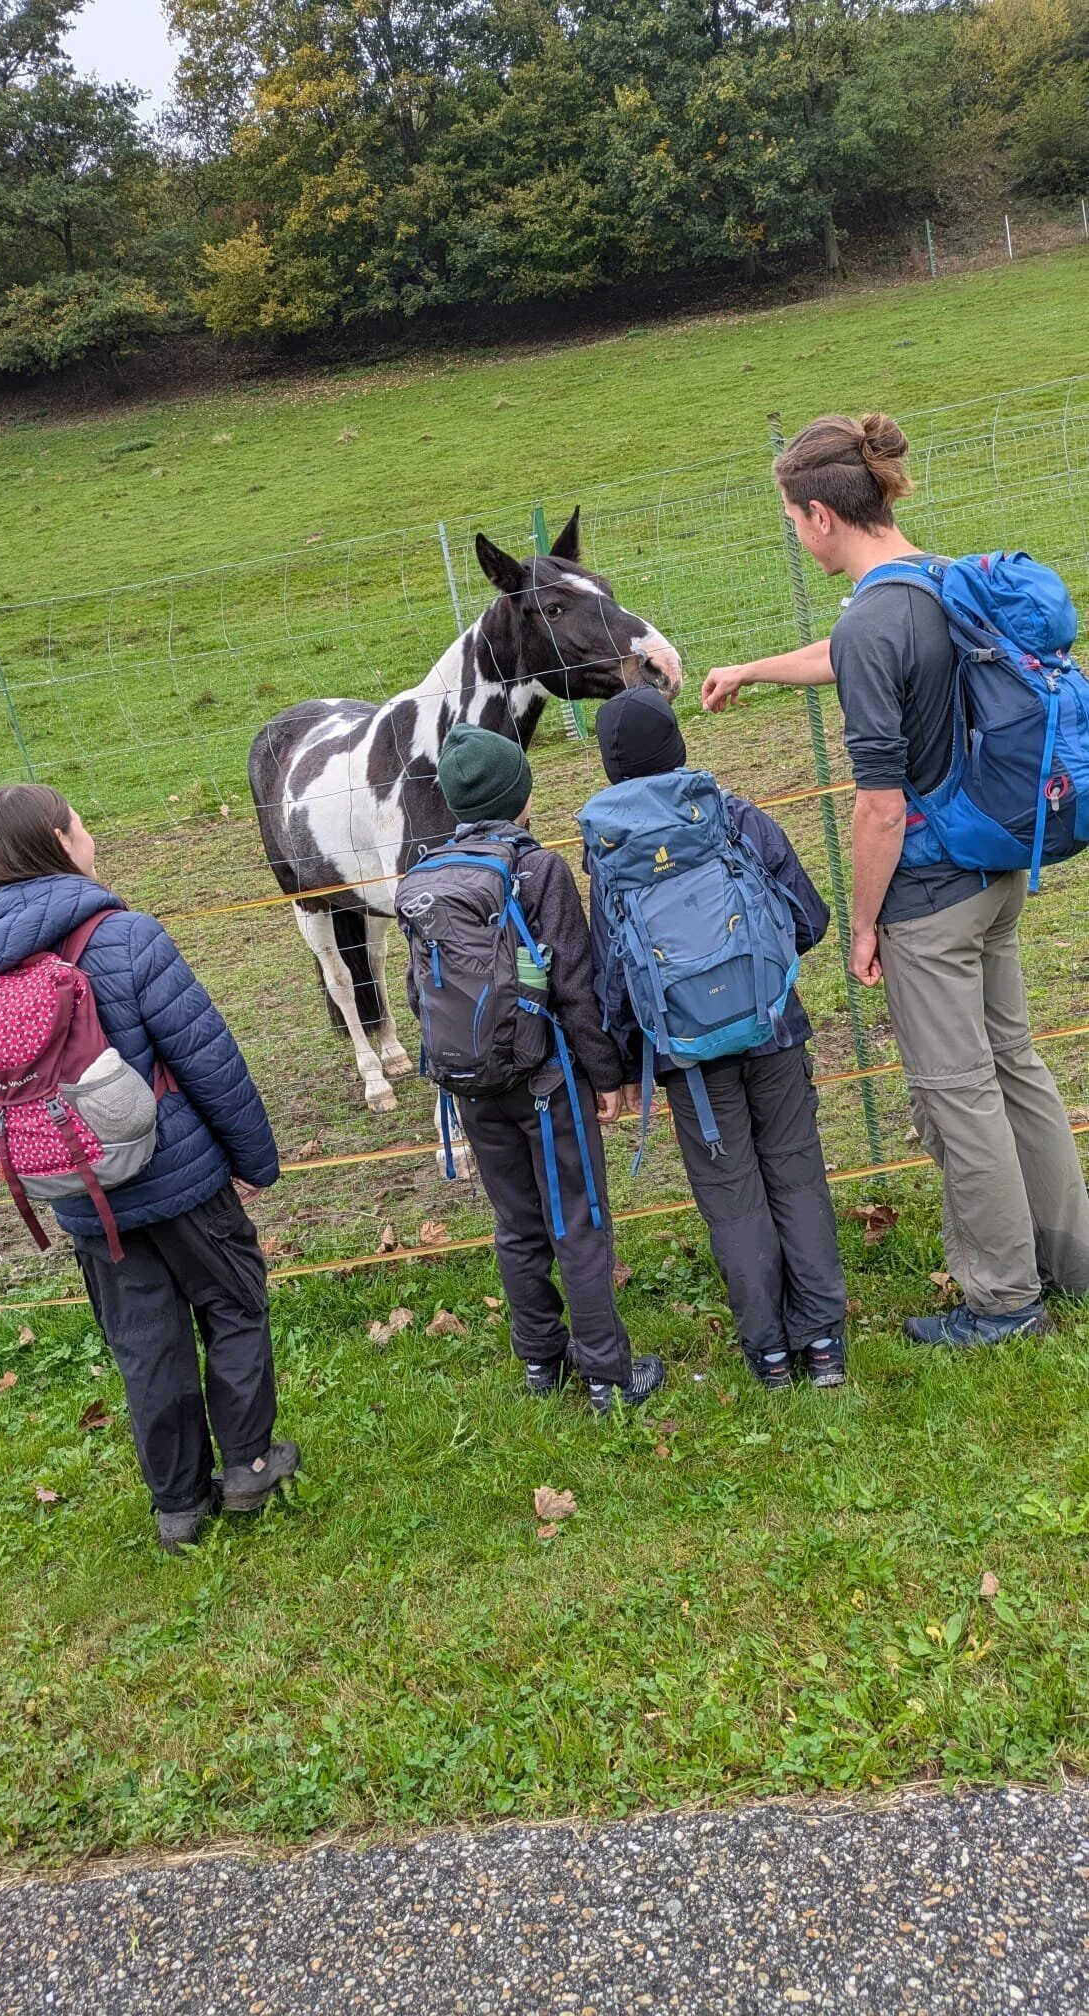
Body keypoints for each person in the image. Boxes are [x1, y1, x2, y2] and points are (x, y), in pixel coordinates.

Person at [701, 411, 1089, 1345]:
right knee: (1016, 1067)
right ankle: (1072, 1262)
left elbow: (877, 809)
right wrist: (755, 667)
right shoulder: (935, 582)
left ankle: (1002, 1301)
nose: (795, 536)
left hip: (930, 896)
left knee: (958, 1092)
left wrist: (866, 924)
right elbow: (851, 658)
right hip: (997, 866)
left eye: (793, 519)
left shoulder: (877, 619)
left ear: (821, 515)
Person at [0, 783, 296, 1551]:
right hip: (180, 1182)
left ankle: (178, 1507)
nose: (89, 830)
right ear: (57, 837)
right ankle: (247, 1466)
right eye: (81, 820)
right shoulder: (128, 937)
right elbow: (208, 1061)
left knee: (145, 1344)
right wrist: (254, 1161)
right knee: (235, 1305)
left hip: (80, 1192)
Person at [587, 685, 846, 1388]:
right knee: (794, 1170)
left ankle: (768, 1355)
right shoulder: (734, 816)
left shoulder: (610, 853)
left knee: (730, 1194)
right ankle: (822, 1344)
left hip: (685, 1058)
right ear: (678, 742)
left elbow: (613, 975)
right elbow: (809, 920)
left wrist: (629, 1062)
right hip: (771, 1029)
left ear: (611, 766)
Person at [409, 721, 666, 1415]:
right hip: (547, 1081)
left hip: (469, 1083)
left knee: (517, 1224)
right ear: (520, 793)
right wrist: (606, 1074)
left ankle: (539, 1363)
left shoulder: (426, 879)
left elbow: (417, 991)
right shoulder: (538, 869)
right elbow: (576, 985)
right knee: (576, 1222)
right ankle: (609, 1377)